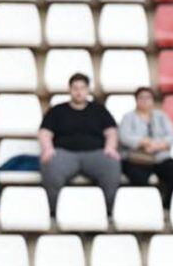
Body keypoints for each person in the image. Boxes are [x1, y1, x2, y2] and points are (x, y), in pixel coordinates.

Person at [38, 73, 121, 218]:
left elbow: (111, 132)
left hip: (95, 154)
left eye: (82, 88)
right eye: (75, 88)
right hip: (64, 154)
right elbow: (45, 132)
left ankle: (108, 211)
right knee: (50, 164)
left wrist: (110, 148)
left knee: (112, 164)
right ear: (69, 90)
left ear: (87, 90)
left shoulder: (99, 110)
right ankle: (54, 211)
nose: (78, 91)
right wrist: (47, 149)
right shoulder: (57, 110)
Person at [119, 87, 173, 209]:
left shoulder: (161, 116)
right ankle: (146, 208)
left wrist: (157, 145)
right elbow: (124, 137)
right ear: (136, 100)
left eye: (148, 98)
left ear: (153, 100)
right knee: (138, 177)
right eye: (141, 98)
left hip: (159, 156)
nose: (145, 101)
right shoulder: (128, 117)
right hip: (136, 159)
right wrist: (144, 142)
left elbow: (171, 136)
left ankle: (169, 206)